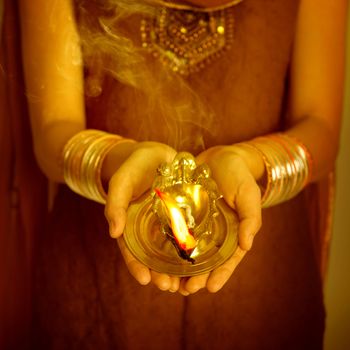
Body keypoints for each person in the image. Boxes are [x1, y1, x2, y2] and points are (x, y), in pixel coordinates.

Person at [16, 0, 346, 348]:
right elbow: (54, 130)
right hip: (96, 290)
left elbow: (319, 125)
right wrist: (119, 160)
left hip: (264, 289)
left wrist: (252, 163)